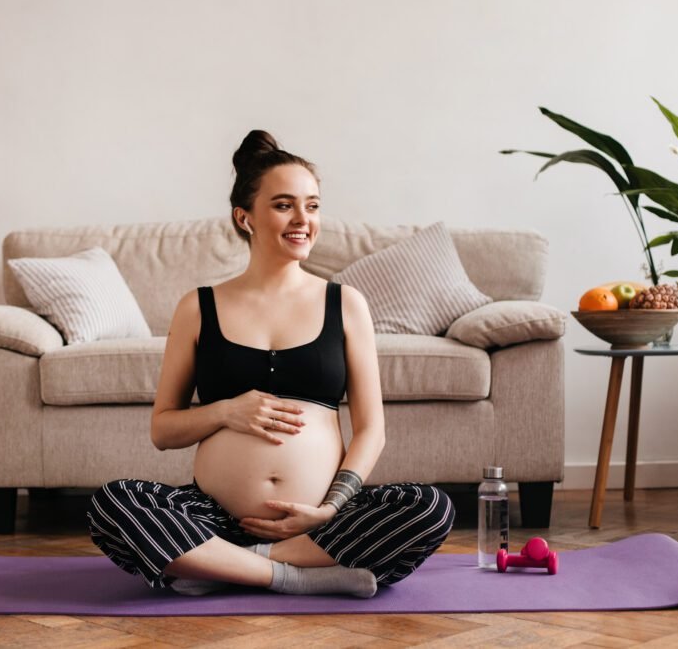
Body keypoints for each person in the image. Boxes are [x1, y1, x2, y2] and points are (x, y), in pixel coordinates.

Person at [86, 130, 455, 598]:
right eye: (284, 205)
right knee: (113, 503)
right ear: (245, 217)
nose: (303, 219)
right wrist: (225, 411)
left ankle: (219, 566)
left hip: (320, 517)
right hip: (215, 517)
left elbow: (371, 430)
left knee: (430, 507)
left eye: (313, 205)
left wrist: (330, 508)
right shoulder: (198, 307)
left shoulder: (346, 304)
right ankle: (293, 577)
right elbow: (163, 430)